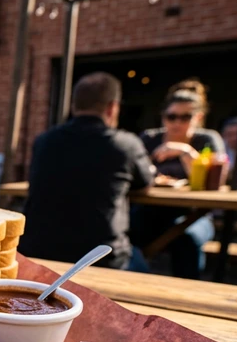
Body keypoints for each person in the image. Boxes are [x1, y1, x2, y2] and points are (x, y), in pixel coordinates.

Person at [18, 73, 154, 271]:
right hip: (100, 258)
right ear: (112, 107)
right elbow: (145, 184)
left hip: (36, 252)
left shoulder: (44, 141)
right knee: (143, 264)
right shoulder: (125, 144)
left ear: (74, 106)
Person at [133, 79, 224, 279]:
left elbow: (214, 183)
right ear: (163, 117)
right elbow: (136, 173)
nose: (177, 123)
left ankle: (189, 293)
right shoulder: (150, 138)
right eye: (171, 116)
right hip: (150, 209)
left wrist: (185, 152)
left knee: (187, 239)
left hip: (194, 212)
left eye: (185, 117)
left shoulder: (207, 140)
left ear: (198, 117)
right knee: (125, 233)